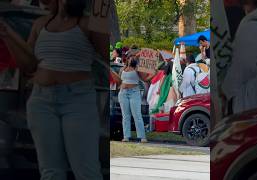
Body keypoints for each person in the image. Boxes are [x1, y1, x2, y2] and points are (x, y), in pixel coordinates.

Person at [0, 0, 107, 179]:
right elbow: (28, 65)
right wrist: (8, 35)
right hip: (41, 100)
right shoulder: (41, 24)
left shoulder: (87, 24)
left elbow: (106, 54)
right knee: (50, 170)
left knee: (86, 170)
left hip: (77, 99)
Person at [111, 49, 155, 143]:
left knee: (137, 115)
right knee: (125, 116)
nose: (132, 59)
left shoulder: (137, 69)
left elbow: (145, 79)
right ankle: (126, 136)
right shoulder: (122, 68)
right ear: (127, 58)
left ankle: (142, 136)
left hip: (134, 92)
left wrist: (154, 73)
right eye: (131, 57)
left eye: (134, 57)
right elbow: (119, 80)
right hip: (123, 93)